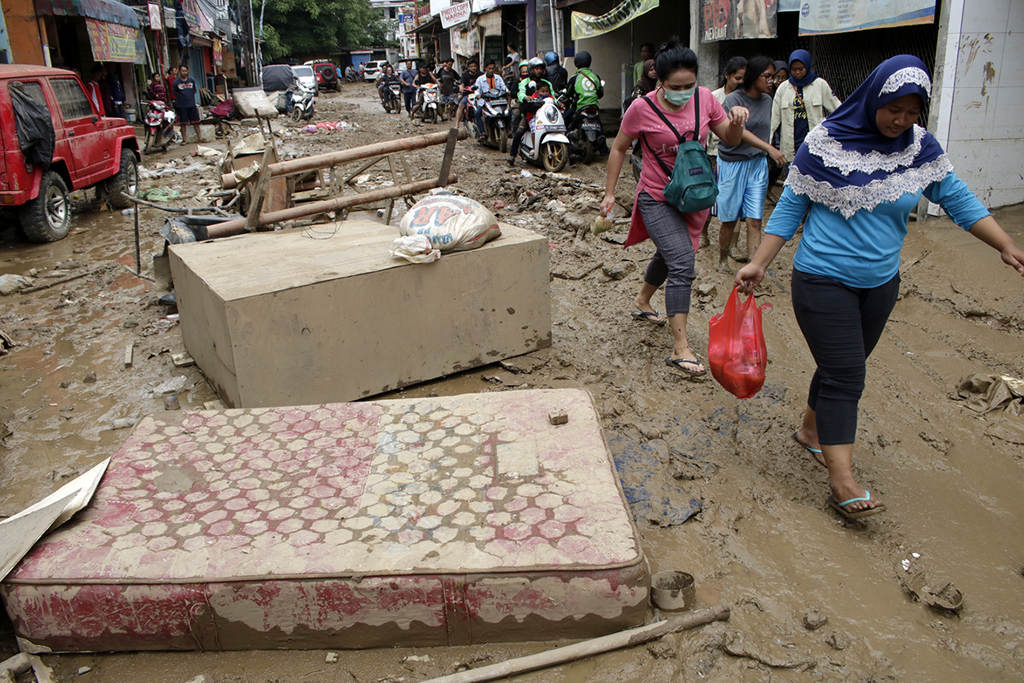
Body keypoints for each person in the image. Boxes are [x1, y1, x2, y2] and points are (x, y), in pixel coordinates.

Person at [736, 55, 1024, 520]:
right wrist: (759, 263)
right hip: (822, 280)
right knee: (847, 374)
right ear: (875, 98)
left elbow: (956, 197)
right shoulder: (825, 144)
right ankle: (841, 480)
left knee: (839, 367)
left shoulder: (918, 149)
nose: (901, 122)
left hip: (881, 284)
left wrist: (1005, 244)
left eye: (913, 114)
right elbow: (791, 207)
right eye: (895, 110)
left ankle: (811, 432)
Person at [600, 39, 749, 377]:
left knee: (669, 254)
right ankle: (680, 348)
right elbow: (620, 147)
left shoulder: (706, 100)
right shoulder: (641, 109)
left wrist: (737, 122)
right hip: (656, 195)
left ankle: (642, 301)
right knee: (682, 260)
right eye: (675, 87)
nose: (683, 92)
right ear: (659, 82)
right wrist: (610, 193)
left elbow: (729, 138)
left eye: (690, 85)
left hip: (693, 196)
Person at [716, 56, 785, 269]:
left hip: (757, 164)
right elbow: (741, 132)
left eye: (773, 77)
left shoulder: (768, 101)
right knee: (729, 220)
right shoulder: (733, 100)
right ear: (754, 76)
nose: (771, 81)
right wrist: (769, 148)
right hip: (732, 164)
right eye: (767, 76)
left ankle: (754, 266)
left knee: (755, 220)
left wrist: (766, 150)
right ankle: (723, 259)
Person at [701, 56, 747, 248]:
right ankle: (703, 233)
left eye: (744, 78)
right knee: (709, 196)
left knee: (733, 199)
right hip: (713, 154)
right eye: (737, 78)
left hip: (736, 156)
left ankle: (731, 245)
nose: (741, 82)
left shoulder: (746, 99)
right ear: (727, 76)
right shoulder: (713, 97)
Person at [771, 49, 841, 164]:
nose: (797, 72)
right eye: (794, 70)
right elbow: (774, 119)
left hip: (814, 145)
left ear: (807, 67)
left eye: (801, 69)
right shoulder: (783, 88)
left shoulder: (820, 85)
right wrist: (769, 147)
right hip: (791, 147)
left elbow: (837, 108)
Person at [508, 81, 552, 165]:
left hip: (546, 116)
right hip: (531, 115)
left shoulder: (546, 82)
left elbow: (553, 96)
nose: (538, 71)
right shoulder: (524, 83)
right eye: (536, 68)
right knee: (519, 132)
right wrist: (525, 98)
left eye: (540, 68)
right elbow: (520, 94)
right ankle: (512, 155)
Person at [564, 50, 603, 128]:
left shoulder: (574, 78)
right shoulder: (595, 77)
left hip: (579, 108)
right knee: (601, 128)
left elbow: (568, 94)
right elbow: (600, 94)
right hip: (594, 108)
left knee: (565, 121)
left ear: (576, 63)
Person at [472, 61, 507, 140]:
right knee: (478, 113)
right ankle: (482, 132)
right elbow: (476, 89)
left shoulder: (498, 78)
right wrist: (477, 94)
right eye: (489, 68)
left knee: (508, 112)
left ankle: (509, 129)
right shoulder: (480, 79)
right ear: (485, 69)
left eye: (492, 68)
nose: (491, 70)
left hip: (498, 101)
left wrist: (507, 91)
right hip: (485, 102)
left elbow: (503, 87)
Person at [172, 64, 201, 144]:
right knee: (183, 124)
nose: (184, 72)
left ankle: (200, 138)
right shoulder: (176, 82)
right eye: (182, 71)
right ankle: (185, 140)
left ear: (188, 71)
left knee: (196, 122)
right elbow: (174, 93)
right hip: (181, 106)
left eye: (185, 71)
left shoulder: (191, 80)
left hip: (191, 105)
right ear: (179, 71)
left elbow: (194, 91)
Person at [453, 58, 481, 127]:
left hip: (478, 95)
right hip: (468, 95)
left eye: (475, 66)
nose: (473, 68)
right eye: (471, 66)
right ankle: (457, 124)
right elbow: (462, 84)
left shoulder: (481, 74)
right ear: (468, 67)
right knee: (461, 105)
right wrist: (462, 88)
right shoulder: (465, 75)